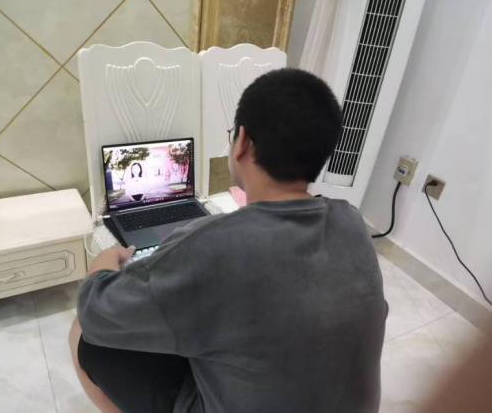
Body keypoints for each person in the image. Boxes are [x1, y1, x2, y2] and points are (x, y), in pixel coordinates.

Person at [69, 69, 388, 413]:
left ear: (243, 142)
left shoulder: (212, 245)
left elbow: (94, 312)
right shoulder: (352, 223)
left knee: (85, 338)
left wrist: (102, 265)